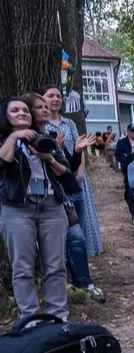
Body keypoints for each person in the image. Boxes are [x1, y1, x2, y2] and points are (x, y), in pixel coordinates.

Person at [0, 95, 78, 321]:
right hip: (17, 209)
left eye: (25, 110)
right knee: (22, 269)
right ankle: (31, 320)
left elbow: (70, 180)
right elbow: (2, 163)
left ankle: (58, 318)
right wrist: (15, 137)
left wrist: (48, 158)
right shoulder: (4, 140)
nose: (22, 114)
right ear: (5, 116)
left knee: (55, 267)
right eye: (15, 111)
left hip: (51, 206)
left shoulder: (46, 139)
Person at [43, 85, 103, 258]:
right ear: (42, 99)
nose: (55, 99)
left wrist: (81, 173)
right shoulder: (42, 125)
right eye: (50, 96)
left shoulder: (69, 123)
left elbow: (79, 147)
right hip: (57, 180)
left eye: (58, 96)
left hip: (76, 177)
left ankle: (83, 263)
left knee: (81, 222)